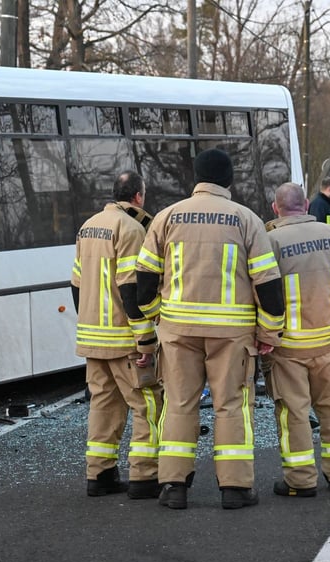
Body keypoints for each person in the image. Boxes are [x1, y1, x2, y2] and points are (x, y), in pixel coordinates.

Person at [136, 148, 285, 511]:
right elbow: (268, 285)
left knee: (179, 404)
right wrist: (268, 332)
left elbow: (142, 282)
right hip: (231, 334)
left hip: (178, 330)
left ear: (196, 178)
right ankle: (234, 489)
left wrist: (159, 316)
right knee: (231, 406)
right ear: (229, 179)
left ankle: (173, 486)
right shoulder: (246, 219)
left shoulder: (167, 217)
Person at [71, 171, 165, 499]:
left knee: (103, 404)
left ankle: (100, 474)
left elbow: (77, 284)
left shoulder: (89, 225)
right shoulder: (131, 229)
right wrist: (146, 340)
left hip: (93, 337)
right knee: (148, 404)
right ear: (138, 197)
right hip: (122, 339)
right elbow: (130, 290)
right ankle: (145, 476)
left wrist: (86, 324)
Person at [265, 182, 330, 497]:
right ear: (306, 205)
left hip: (288, 346)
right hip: (329, 340)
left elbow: (261, 294)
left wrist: (265, 334)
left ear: (275, 208)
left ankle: (301, 481)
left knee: (293, 412)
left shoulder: (270, 241)